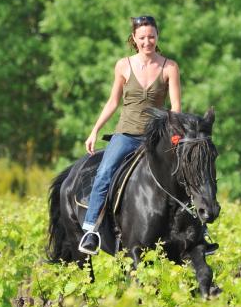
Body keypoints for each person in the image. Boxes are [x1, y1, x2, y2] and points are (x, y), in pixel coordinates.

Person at [78, 15, 181, 255]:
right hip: (126, 133)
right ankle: (91, 230)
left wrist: (174, 134)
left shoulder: (170, 67)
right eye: (143, 37)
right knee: (104, 172)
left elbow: (176, 107)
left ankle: (199, 230)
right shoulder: (123, 65)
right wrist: (95, 130)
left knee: (184, 171)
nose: (148, 41)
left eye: (152, 36)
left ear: (157, 37)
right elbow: (113, 101)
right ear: (134, 39)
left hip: (157, 136)